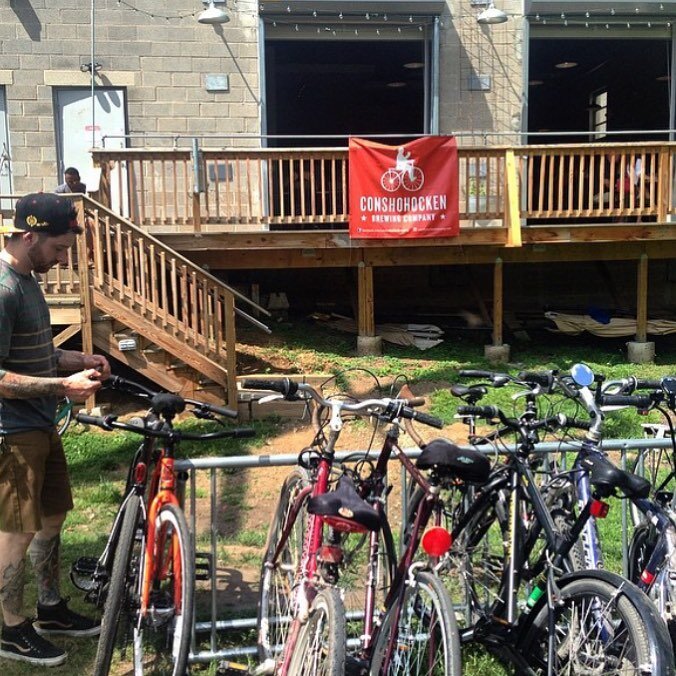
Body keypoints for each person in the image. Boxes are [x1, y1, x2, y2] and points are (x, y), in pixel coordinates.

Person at [0, 192, 110, 667]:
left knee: (51, 519)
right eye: (59, 249)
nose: (63, 258)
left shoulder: (28, 281)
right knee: (15, 533)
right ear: (29, 237)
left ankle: (49, 609)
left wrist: (79, 360)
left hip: (41, 424)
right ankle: (10, 628)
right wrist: (63, 385)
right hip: (13, 431)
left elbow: (37, 352)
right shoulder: (3, 290)